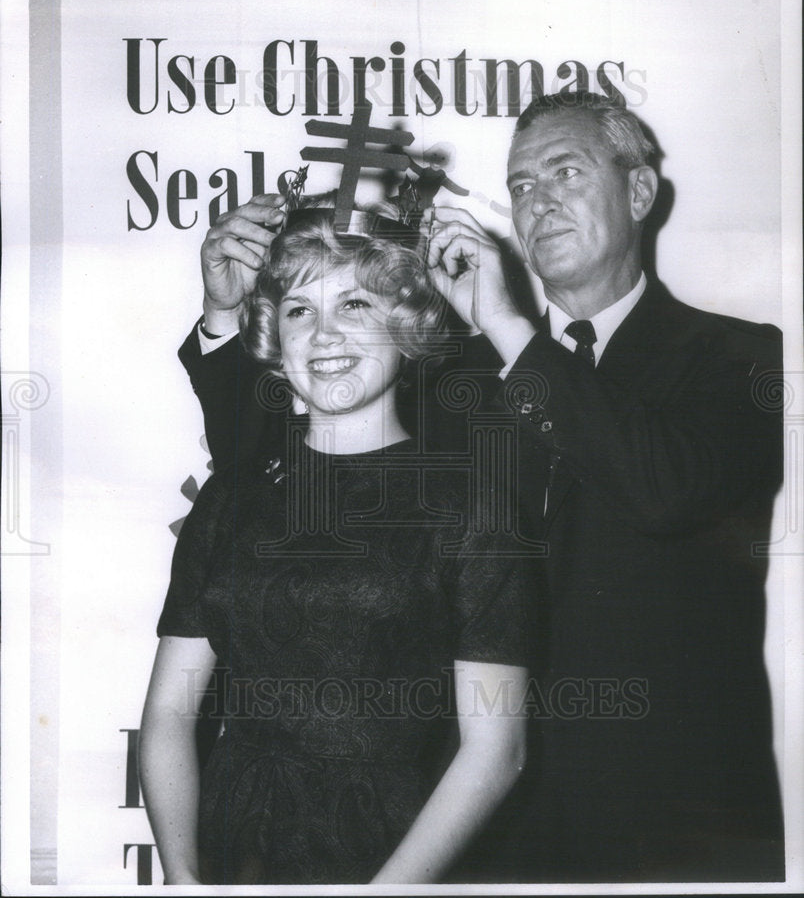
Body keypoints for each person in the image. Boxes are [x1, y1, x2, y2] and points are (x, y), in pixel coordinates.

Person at [177, 92, 784, 882]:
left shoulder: (740, 358)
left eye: (566, 173)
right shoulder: (449, 374)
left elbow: (663, 491)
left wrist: (507, 327)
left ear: (639, 191)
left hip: (670, 814)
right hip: (480, 824)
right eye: (521, 184)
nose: (539, 201)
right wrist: (224, 314)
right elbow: (269, 479)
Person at [140, 207, 530, 885]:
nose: (323, 334)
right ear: (275, 340)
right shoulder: (231, 499)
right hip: (232, 846)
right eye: (299, 310)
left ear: (406, 326)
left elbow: (496, 751)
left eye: (354, 303)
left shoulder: (472, 507)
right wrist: (180, 878)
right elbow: (169, 717)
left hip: (391, 850)